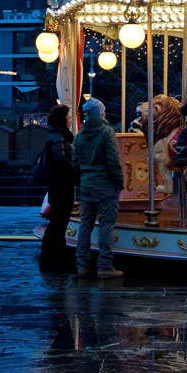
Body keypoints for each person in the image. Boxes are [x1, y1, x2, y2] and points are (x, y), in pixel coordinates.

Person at [72, 97, 124, 279]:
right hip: (105, 186)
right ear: (101, 114)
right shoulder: (106, 133)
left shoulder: (80, 136)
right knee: (106, 225)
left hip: (87, 185)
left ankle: (81, 265)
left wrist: (82, 180)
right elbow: (113, 161)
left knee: (85, 225)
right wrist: (119, 183)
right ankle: (104, 266)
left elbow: (75, 163)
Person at [40, 104, 76, 272]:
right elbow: (61, 159)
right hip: (62, 184)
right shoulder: (58, 136)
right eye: (68, 118)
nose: (70, 121)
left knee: (58, 221)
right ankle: (54, 257)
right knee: (59, 221)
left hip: (59, 183)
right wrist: (73, 171)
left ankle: (52, 256)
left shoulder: (55, 135)